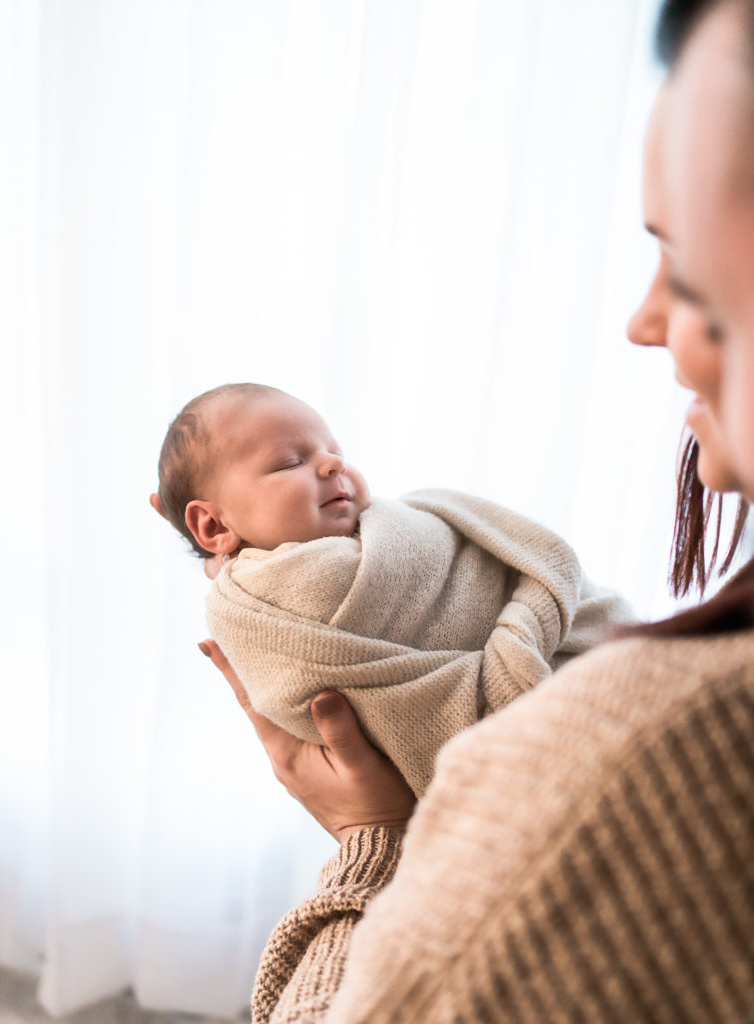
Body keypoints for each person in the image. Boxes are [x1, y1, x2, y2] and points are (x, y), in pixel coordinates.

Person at [200, 1, 754, 1018]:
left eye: (677, 260)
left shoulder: (648, 754)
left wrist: (371, 840)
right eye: (290, 462)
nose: (641, 320)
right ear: (211, 527)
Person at [151, 383, 632, 795]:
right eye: (289, 462)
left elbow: (465, 563)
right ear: (212, 525)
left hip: (579, 645)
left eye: (333, 450)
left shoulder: (389, 526)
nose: (332, 464)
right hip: (551, 695)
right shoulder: (273, 598)